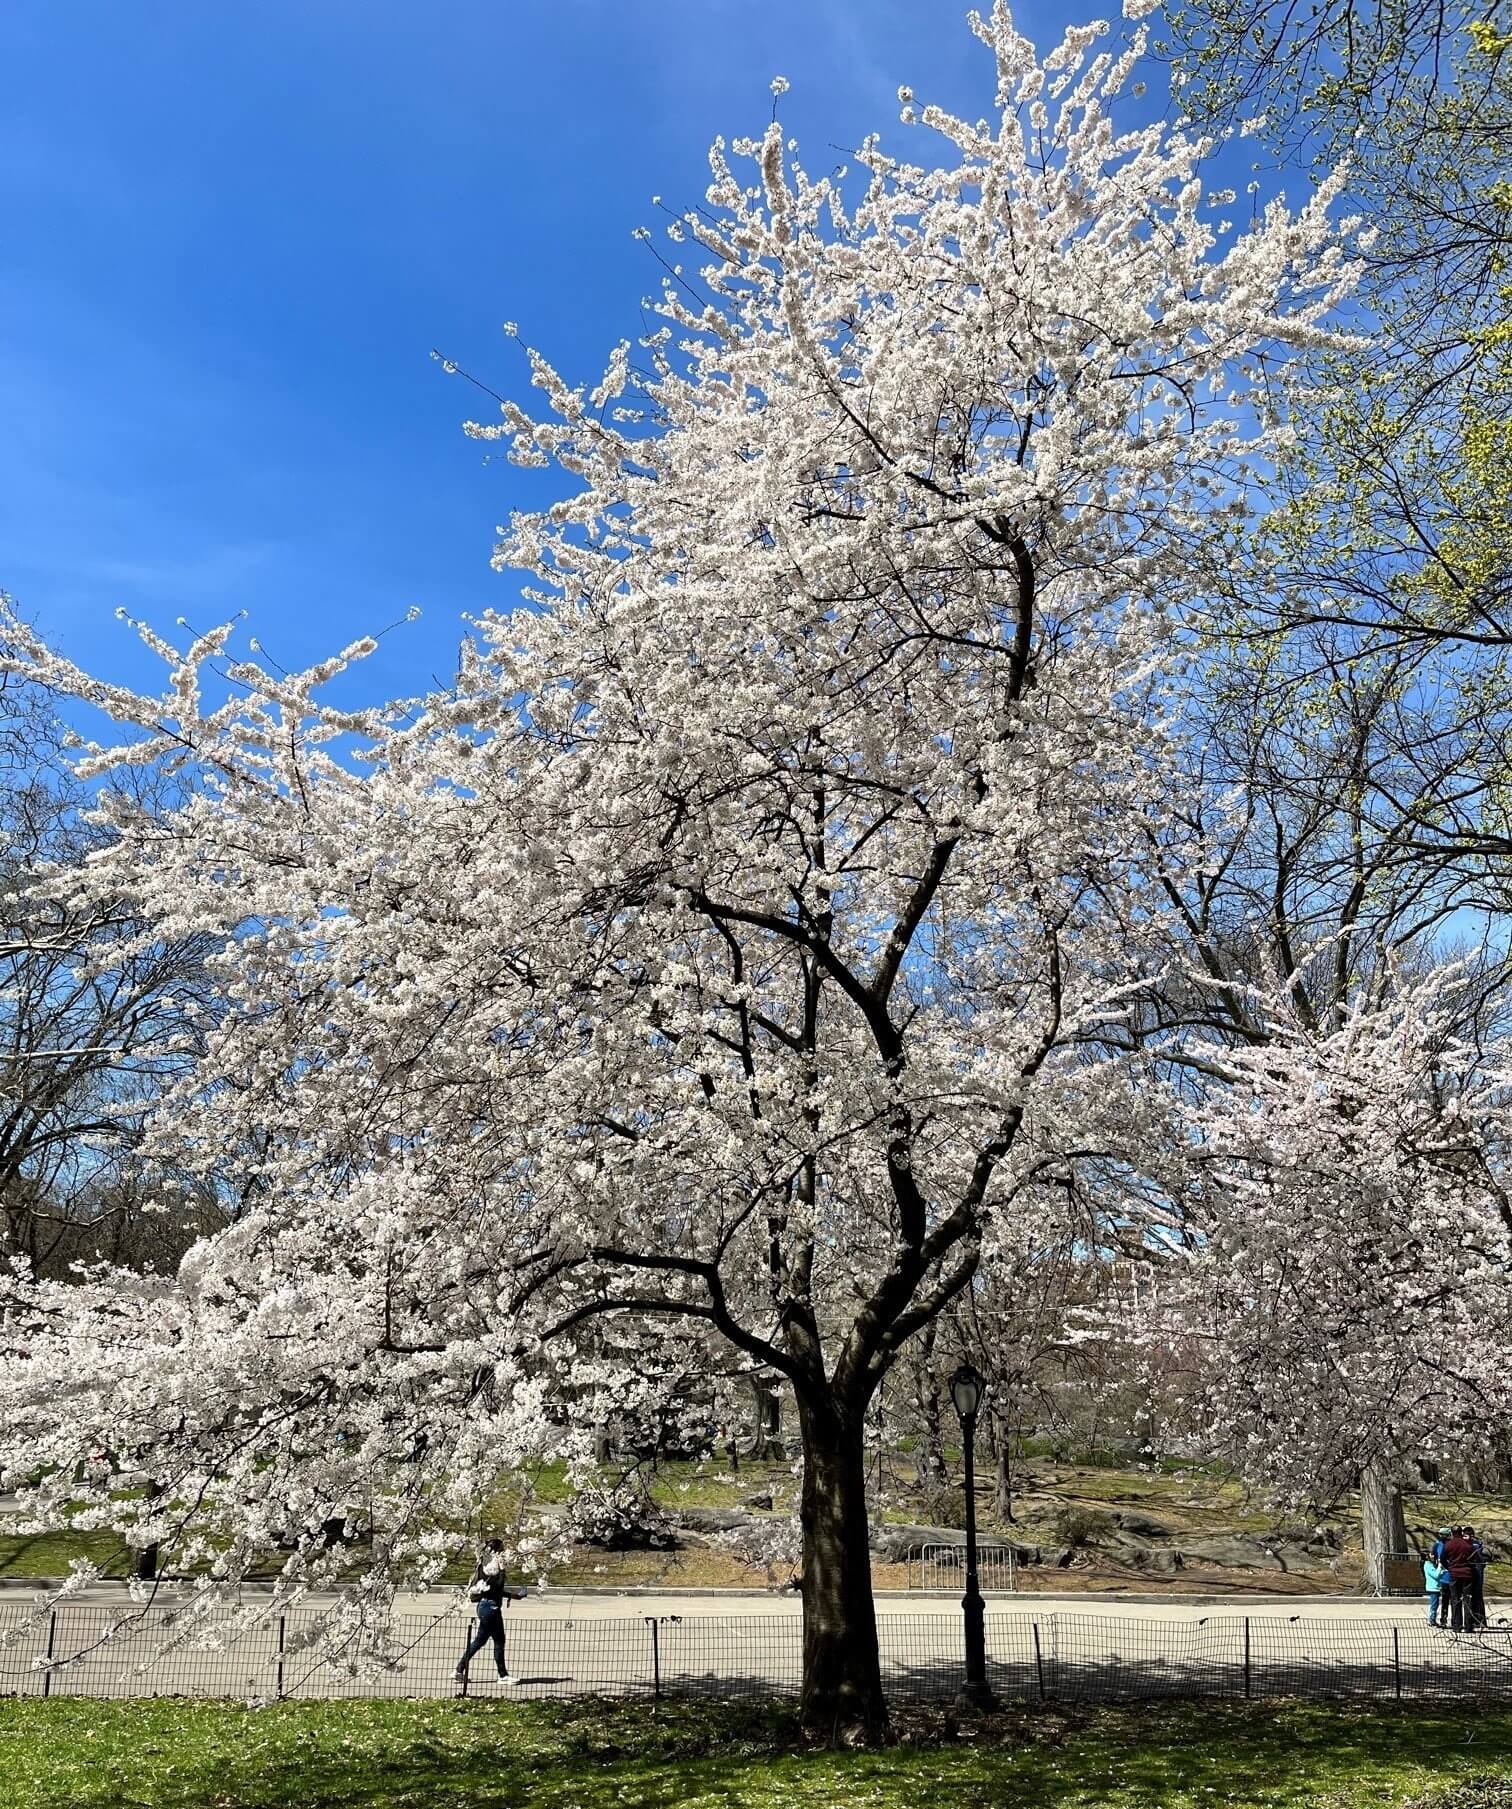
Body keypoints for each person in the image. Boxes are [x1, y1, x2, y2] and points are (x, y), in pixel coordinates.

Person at [456, 1538, 526, 1683]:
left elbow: (492, 1590)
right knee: (497, 1641)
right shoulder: (492, 1568)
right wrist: (502, 1570)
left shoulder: (484, 1566)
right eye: (502, 1549)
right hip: (491, 1608)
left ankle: (459, 1669)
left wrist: (512, 1596)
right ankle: (502, 1675)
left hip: (485, 1606)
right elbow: (498, 1585)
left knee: (481, 1641)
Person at [1442, 1525, 1476, 1632]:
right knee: (1468, 1600)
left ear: (1452, 1533)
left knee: (1455, 1600)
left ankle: (1457, 1625)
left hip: (1454, 1574)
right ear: (1461, 1532)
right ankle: (1469, 1626)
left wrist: (1450, 1567)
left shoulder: (1448, 1545)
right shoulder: (1468, 1545)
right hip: (1467, 1574)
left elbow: (1443, 1559)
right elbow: (1474, 1558)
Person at [1467, 1526, 1490, 1631]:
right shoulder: (1477, 1544)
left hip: (1476, 1575)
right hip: (1476, 1574)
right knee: (1477, 1599)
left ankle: (1477, 1620)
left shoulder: (1474, 1545)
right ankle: (1479, 1621)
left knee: (1475, 1599)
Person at [1423, 1551, 1451, 1627]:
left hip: (1436, 1588)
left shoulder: (1432, 1565)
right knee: (1434, 1605)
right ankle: (1432, 1620)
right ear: (1427, 1557)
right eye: (1431, 1555)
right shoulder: (1428, 1566)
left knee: (1436, 1604)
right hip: (1432, 1588)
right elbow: (1435, 1575)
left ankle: (1433, 1620)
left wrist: (1443, 1570)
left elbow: (1439, 1572)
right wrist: (1440, 1566)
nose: (1433, 1556)